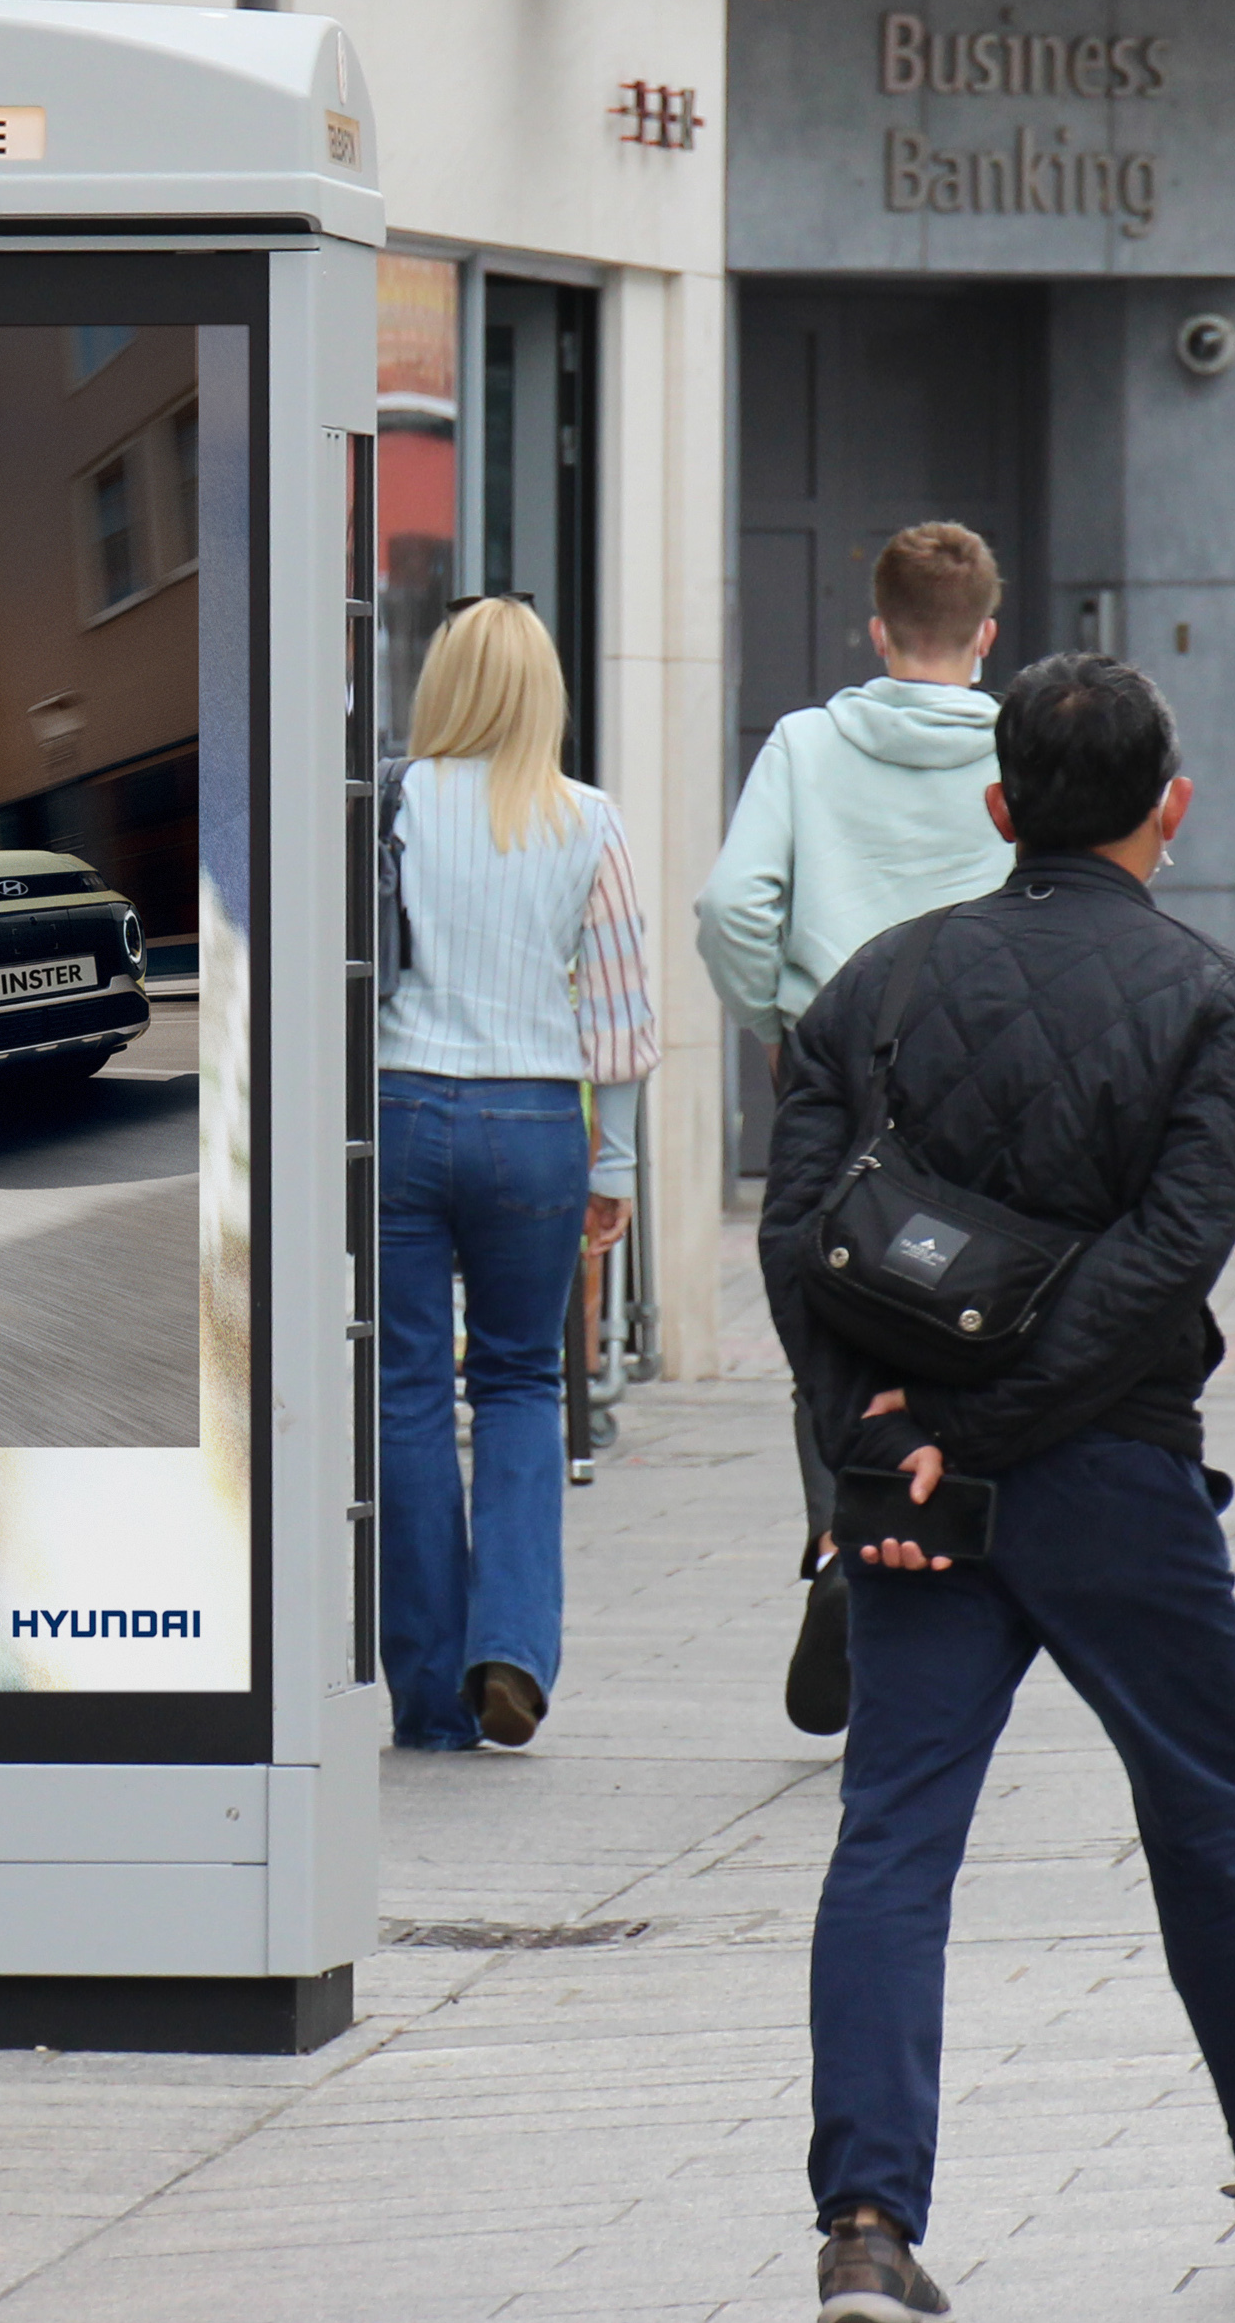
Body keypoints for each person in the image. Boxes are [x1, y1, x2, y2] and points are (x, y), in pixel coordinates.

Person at [764, 655, 1235, 2319]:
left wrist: (879, 1439)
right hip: (1115, 1480)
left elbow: (798, 1249)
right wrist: (993, 1428)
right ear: (1173, 806)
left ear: (996, 810)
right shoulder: (1209, 999)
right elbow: (1164, 1263)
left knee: (891, 1836)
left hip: (913, 1481)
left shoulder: (867, 989)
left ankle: (864, 2224)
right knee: (1201, 1809)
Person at [694, 519, 1016, 1741]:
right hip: (984, 1080)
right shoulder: (1013, 742)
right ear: (986, 636)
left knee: (834, 1310)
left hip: (839, 1081)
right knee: (971, 1310)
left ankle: (842, 1521)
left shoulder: (807, 744)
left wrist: (783, 1021)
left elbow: (733, 904)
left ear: (877, 631)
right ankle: (940, 1566)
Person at [376, 597, 657, 1752]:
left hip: (396, 1107)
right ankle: (512, 1649)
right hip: (537, 1119)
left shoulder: (386, 805)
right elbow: (625, 1012)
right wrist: (619, 1160)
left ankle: (430, 1696)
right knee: (520, 1384)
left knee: (401, 1391)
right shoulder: (589, 821)